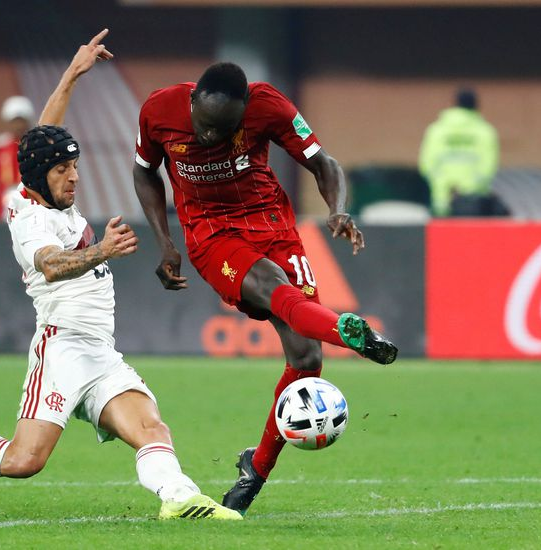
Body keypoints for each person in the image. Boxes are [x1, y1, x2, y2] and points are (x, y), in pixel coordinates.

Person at [0, 30, 241, 522]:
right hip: (60, 348)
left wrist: (73, 73)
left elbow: (43, 134)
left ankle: (182, 499)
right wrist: (102, 249)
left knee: (151, 428)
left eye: (75, 166)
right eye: (65, 169)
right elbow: (49, 264)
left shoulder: (46, 189)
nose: (75, 177)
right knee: (24, 461)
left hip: (99, 350)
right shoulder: (29, 220)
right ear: (42, 176)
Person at [133, 62, 398, 515]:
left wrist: (337, 209)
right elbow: (144, 172)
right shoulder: (159, 109)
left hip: (272, 226)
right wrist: (165, 242)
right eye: (206, 126)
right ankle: (347, 332)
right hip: (210, 232)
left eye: (226, 129)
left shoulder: (269, 105)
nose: (213, 138)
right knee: (274, 286)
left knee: (307, 360)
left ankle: (254, 469)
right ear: (193, 100)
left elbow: (323, 163)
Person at [419, 88, 506, 217]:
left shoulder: (436, 130)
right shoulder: (485, 132)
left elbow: (427, 164)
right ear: (476, 106)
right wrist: (473, 187)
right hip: (474, 204)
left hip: (442, 203)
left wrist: (440, 183)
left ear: (455, 104)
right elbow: (489, 166)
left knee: (442, 237)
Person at [0, 95, 36, 219]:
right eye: (14, 120)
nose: (18, 125)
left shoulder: (38, 145)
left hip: (30, 203)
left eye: (21, 120)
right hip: (3, 206)